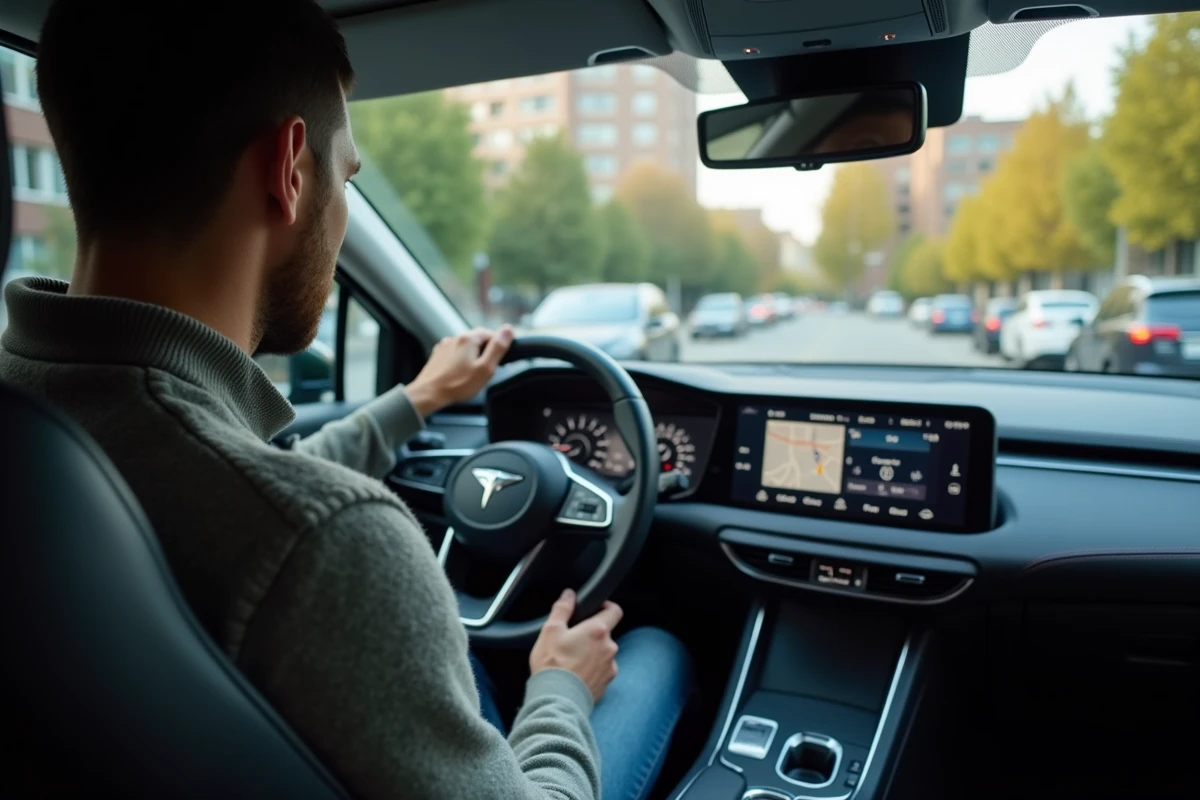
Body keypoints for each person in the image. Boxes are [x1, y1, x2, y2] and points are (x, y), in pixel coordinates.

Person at [0, 2, 692, 799]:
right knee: (655, 657)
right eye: (348, 175)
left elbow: (235, 495)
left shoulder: (42, 418)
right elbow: (280, 519)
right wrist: (560, 691)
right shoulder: (337, 552)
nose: (343, 208)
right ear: (290, 169)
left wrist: (419, 399)